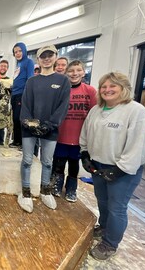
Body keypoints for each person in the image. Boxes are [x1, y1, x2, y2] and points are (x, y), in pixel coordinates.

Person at [79, 72, 145, 261]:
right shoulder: (97, 110)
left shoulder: (136, 112)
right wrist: (85, 153)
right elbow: (86, 132)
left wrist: (121, 168)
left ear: (123, 88)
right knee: (102, 201)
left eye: (112, 86)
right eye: (104, 86)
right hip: (99, 165)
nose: (107, 90)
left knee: (116, 207)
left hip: (123, 170)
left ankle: (110, 243)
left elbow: (141, 145)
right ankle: (104, 226)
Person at [18, 45, 70, 213]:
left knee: (47, 162)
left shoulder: (63, 81)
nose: (46, 58)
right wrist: (28, 123)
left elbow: (63, 106)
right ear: (38, 59)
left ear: (55, 56)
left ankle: (45, 190)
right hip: (29, 129)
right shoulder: (32, 81)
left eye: (50, 55)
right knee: (27, 161)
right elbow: (25, 104)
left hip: (51, 129)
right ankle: (25, 192)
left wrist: (50, 124)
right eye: (43, 56)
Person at [51, 60, 97, 202]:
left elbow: (94, 114)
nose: (74, 73)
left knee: (74, 164)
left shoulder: (90, 91)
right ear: (66, 72)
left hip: (79, 138)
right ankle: (56, 186)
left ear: (83, 72)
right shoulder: (61, 90)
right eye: (71, 71)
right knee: (59, 163)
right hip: (61, 135)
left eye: (78, 70)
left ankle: (71, 189)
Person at [10, 42, 34, 148]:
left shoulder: (28, 62)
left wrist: (26, 94)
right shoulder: (18, 64)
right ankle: (16, 140)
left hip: (22, 94)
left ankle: (21, 142)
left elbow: (30, 79)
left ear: (24, 51)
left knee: (19, 118)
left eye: (20, 51)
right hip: (14, 94)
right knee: (15, 118)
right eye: (15, 52)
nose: (18, 53)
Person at [0, 60, 13, 146]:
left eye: (5, 66)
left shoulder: (10, 80)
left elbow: (12, 95)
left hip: (4, 107)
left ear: (7, 68)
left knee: (1, 128)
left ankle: (0, 145)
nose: (3, 67)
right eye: (1, 66)